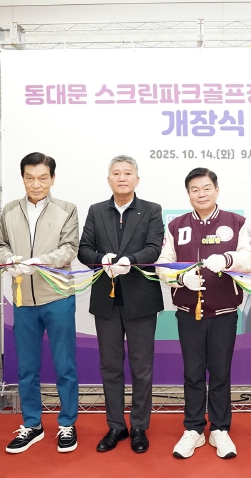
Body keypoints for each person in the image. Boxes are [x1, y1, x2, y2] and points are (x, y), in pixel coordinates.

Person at [156, 168, 251, 459]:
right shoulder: (176, 226)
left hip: (224, 312)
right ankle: (193, 429)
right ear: (188, 194)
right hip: (188, 313)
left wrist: (228, 259)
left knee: (220, 372)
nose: (201, 194)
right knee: (192, 372)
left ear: (216, 190)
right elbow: (163, 264)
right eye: (195, 190)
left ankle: (220, 429)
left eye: (206, 188)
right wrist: (180, 278)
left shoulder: (236, 223)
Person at [78, 155, 164, 454]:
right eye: (116, 173)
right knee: (110, 367)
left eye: (128, 173)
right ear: (109, 179)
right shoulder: (96, 210)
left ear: (137, 179)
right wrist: (99, 259)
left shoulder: (151, 210)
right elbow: (84, 249)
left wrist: (132, 260)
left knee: (142, 368)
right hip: (107, 301)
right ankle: (116, 426)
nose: (122, 177)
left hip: (141, 300)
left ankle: (139, 426)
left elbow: (154, 247)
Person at [0, 152, 80, 454]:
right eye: (30, 177)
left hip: (58, 297)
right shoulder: (9, 210)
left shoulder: (67, 210)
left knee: (65, 366)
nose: (36, 184)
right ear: (22, 178)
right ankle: (32, 424)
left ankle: (67, 423)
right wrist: (9, 260)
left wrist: (40, 261)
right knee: (26, 368)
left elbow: (70, 248)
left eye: (43, 177)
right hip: (22, 300)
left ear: (52, 179)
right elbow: (1, 245)